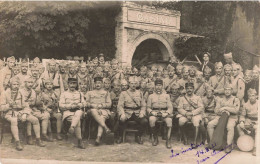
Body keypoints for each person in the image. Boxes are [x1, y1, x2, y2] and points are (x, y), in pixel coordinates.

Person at [207, 84, 240, 153]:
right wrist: (224, 112)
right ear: (224, 91)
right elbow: (216, 110)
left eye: (229, 90)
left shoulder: (235, 99)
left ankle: (228, 145)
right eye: (226, 90)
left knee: (230, 127)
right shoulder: (220, 99)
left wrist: (225, 108)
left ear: (232, 91)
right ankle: (212, 142)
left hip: (232, 117)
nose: (227, 91)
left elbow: (236, 110)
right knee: (210, 124)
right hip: (220, 116)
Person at [117, 76, 147, 144]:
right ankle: (120, 136)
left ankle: (138, 136)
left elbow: (143, 105)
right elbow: (120, 105)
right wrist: (122, 114)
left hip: (137, 112)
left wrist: (142, 112)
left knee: (144, 121)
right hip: (127, 112)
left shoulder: (140, 93)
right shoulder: (123, 93)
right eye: (132, 83)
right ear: (129, 84)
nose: (133, 85)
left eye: (135, 83)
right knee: (121, 120)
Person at [59, 77, 86, 149]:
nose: (72, 85)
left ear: (76, 84)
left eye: (74, 83)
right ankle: (80, 141)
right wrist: (70, 106)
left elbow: (84, 103)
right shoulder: (64, 94)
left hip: (78, 111)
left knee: (78, 113)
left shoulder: (80, 93)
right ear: (68, 84)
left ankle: (72, 127)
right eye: (71, 83)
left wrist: (80, 104)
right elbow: (61, 105)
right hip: (68, 112)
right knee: (78, 121)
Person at [19, 76, 46, 146]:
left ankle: (44, 134)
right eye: (29, 82)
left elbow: (35, 102)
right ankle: (32, 138)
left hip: (32, 109)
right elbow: (21, 104)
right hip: (23, 110)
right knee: (34, 120)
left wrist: (40, 104)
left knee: (45, 116)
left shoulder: (33, 91)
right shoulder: (20, 91)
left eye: (32, 82)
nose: (30, 84)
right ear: (25, 83)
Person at [1, 77, 26, 150]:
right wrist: (9, 105)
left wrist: (24, 114)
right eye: (14, 84)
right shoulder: (5, 93)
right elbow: (1, 107)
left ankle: (31, 138)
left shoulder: (21, 93)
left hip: (19, 112)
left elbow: (25, 105)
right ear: (10, 85)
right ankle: (17, 142)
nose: (16, 86)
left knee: (32, 119)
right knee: (14, 120)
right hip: (8, 113)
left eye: (17, 84)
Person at [147, 79, 173, 148]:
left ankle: (168, 140)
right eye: (157, 85)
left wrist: (167, 113)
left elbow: (170, 107)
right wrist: (152, 112)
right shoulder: (151, 96)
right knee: (151, 120)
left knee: (169, 121)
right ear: (155, 86)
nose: (158, 87)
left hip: (164, 113)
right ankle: (155, 138)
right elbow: (148, 108)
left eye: (160, 85)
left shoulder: (166, 96)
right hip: (155, 113)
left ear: (162, 86)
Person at [85, 76, 112, 146]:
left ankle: (98, 138)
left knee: (102, 117)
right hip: (91, 110)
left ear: (102, 84)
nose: (98, 84)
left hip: (103, 110)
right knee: (94, 110)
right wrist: (92, 105)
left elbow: (109, 104)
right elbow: (85, 103)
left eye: (99, 83)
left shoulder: (106, 93)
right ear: (94, 84)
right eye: (96, 83)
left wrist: (101, 106)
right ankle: (105, 127)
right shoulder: (89, 93)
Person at [237, 88, 258, 156]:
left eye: (253, 95)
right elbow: (243, 115)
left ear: (256, 96)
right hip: (248, 120)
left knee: (258, 130)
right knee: (239, 126)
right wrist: (242, 122)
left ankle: (255, 147)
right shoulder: (246, 104)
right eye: (249, 96)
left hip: (257, 120)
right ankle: (245, 143)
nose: (251, 97)